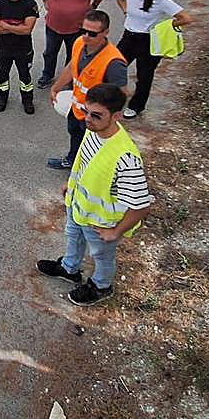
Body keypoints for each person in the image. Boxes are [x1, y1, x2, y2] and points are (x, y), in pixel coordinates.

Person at [36, 84, 152, 306]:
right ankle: (69, 269)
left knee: (102, 257)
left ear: (116, 116)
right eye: (86, 111)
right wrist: (71, 184)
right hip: (78, 207)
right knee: (73, 238)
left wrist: (115, 232)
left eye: (96, 115)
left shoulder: (126, 157)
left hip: (101, 224)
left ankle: (101, 286)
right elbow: (87, 164)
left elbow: (141, 206)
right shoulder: (93, 130)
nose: (87, 119)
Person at [47, 10, 127, 170]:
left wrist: (108, 121)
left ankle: (85, 171)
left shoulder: (114, 62)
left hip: (95, 116)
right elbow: (72, 66)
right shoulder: (79, 43)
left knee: (92, 146)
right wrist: (56, 87)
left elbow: (121, 94)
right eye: (83, 30)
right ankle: (72, 160)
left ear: (105, 33)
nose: (86, 36)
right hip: (76, 108)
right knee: (75, 134)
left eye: (92, 33)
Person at [115, 0, 193, 118]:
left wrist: (166, 26)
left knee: (144, 76)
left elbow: (185, 18)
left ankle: (136, 106)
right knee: (115, 67)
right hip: (128, 37)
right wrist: (126, 12)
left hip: (148, 40)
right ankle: (113, 98)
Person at [34, 0, 111, 89]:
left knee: (73, 55)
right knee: (50, 53)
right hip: (54, 25)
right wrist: (45, 0)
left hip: (77, 28)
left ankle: (69, 79)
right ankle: (47, 75)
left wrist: (94, 5)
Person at [0, 0, 39, 114]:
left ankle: (27, 100)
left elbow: (27, 30)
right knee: (2, 76)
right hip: (3, 48)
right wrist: (18, 27)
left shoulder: (30, 4)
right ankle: (2, 98)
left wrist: (6, 25)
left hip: (23, 49)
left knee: (25, 77)